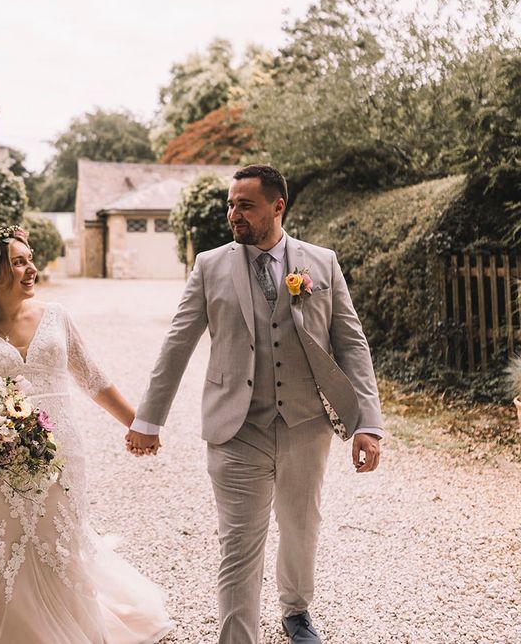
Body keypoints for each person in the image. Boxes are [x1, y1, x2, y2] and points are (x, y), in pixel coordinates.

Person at [125, 165, 383, 644]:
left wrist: (368, 422)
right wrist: (148, 418)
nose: (233, 214)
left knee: (301, 525)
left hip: (306, 423)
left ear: (277, 206)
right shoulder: (210, 265)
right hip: (236, 427)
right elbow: (177, 344)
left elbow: (351, 343)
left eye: (244, 204)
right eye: (230, 204)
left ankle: (296, 612)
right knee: (240, 543)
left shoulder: (321, 263)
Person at [0, 226, 173, 644]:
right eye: (19, 262)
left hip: (61, 454)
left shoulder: (56, 316)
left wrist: (140, 424)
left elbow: (93, 379)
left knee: (57, 541)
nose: (31, 269)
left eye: (30, 259)